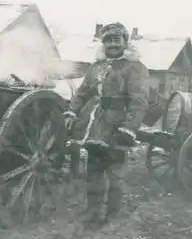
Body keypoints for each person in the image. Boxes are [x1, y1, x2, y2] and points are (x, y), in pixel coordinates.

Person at [63, 22, 150, 227]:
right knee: (94, 169)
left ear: (125, 42)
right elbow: (83, 92)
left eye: (116, 40)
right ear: (103, 44)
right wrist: (72, 111)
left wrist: (129, 128)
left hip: (119, 125)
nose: (112, 44)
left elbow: (139, 101)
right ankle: (92, 212)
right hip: (98, 124)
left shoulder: (135, 68)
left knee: (115, 172)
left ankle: (112, 215)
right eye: (108, 40)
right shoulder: (97, 67)